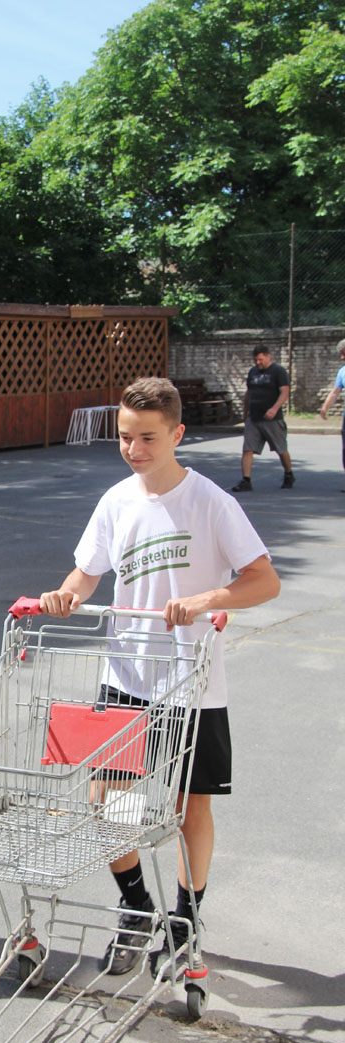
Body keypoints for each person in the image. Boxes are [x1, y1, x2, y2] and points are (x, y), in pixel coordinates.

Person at [40, 377, 280, 976]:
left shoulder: (211, 503)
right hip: (125, 676)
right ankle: (136, 907)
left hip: (192, 683)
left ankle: (185, 919)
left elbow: (264, 580)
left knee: (189, 807)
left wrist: (206, 599)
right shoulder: (115, 501)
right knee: (107, 804)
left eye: (147, 437)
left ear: (177, 434)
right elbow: (85, 573)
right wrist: (66, 594)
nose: (134, 448)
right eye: (125, 437)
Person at [232, 344, 295, 491]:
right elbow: (248, 393)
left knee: (281, 449)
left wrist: (274, 408)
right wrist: (245, 413)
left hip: (272, 419)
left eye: (260, 359)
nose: (258, 363)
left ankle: (289, 474)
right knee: (248, 449)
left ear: (268, 356)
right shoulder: (253, 372)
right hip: (254, 418)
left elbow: (285, 391)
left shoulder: (278, 371)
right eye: (255, 360)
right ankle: (246, 480)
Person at [319, 337, 345, 490]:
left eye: (343, 353)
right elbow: (335, 392)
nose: (341, 357)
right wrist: (325, 407)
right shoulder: (342, 372)